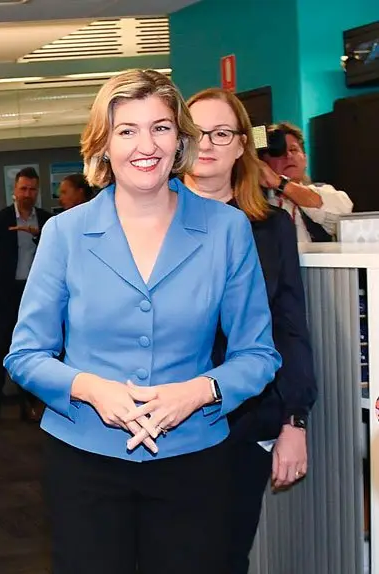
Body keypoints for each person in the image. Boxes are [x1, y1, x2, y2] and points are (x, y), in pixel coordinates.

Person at [4, 69, 281, 574]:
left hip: (195, 460)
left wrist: (199, 391)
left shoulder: (226, 229)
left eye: (160, 127)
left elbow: (259, 354)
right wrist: (92, 388)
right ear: (103, 145)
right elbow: (25, 356)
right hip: (84, 461)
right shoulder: (66, 233)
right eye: (126, 130)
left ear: (180, 139)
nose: (145, 144)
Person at [184, 87, 317, 574]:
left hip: (246, 421)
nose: (208, 144)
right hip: (168, 423)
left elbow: (289, 326)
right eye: (196, 132)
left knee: (226, 557)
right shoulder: (150, 222)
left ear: (242, 144)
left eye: (222, 133)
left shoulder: (271, 226)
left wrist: (294, 421)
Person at [0, 166, 53, 425]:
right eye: (23, 189)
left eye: (32, 189)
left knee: (34, 350)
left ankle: (29, 405)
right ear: (14, 191)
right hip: (7, 294)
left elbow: (57, 255)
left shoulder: (46, 221)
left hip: (36, 295)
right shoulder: (1, 219)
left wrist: (39, 236)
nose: (27, 194)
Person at [258, 121, 353, 242]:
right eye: (279, 152)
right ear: (263, 163)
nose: (288, 156)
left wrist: (280, 183)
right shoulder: (256, 204)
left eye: (293, 150)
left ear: (305, 159)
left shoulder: (323, 192)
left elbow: (344, 213)